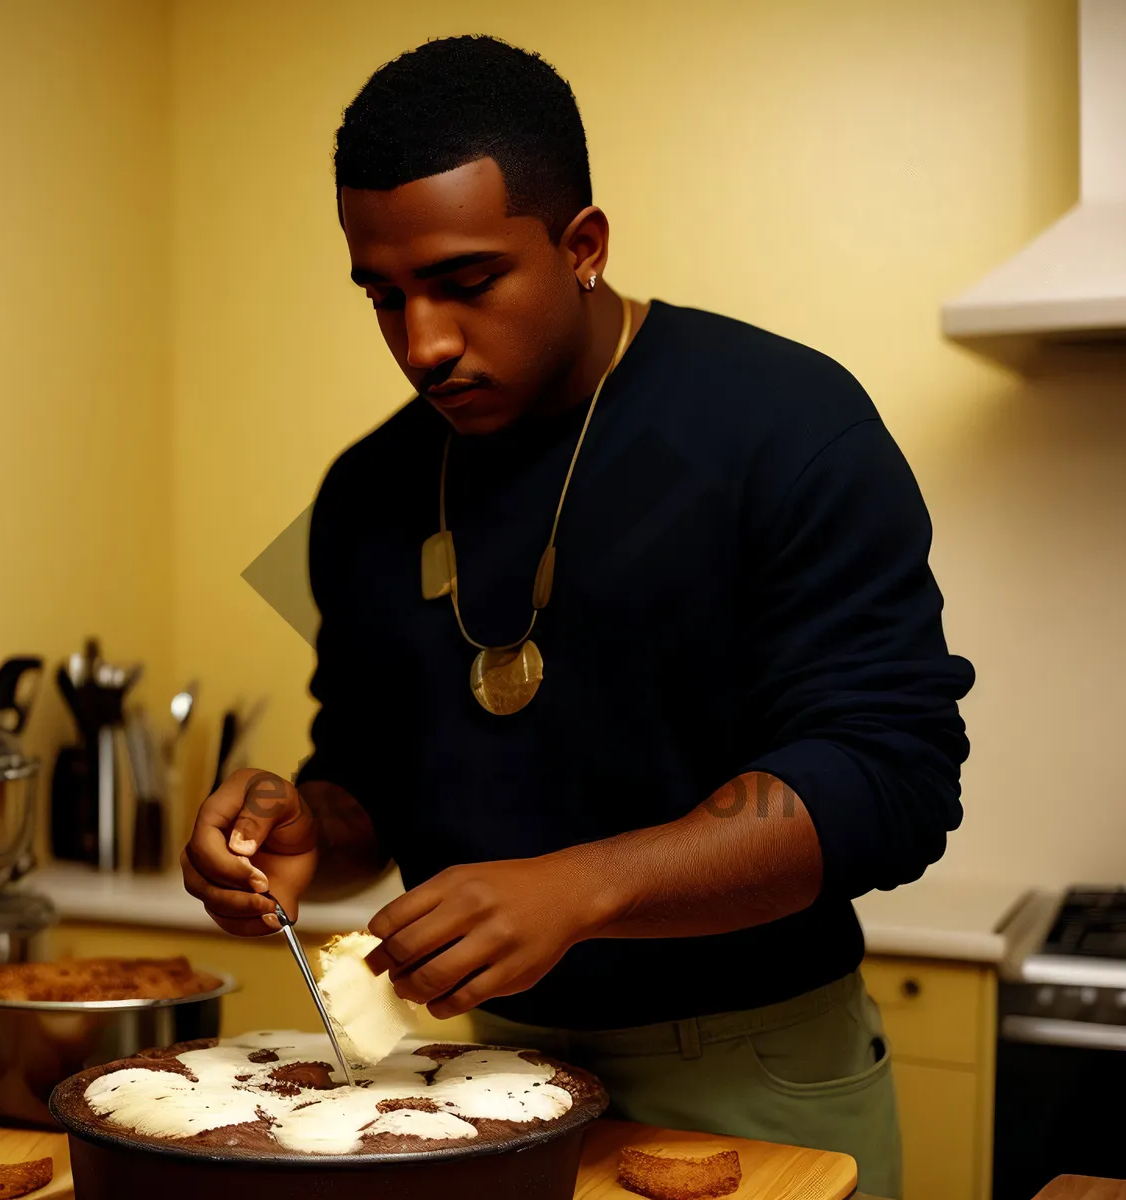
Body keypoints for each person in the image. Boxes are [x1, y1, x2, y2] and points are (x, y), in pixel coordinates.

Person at [181, 34, 974, 1199]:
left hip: (752, 1066)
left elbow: (897, 783)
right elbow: (366, 786)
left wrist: (580, 888)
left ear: (582, 245)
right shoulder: (364, 490)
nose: (423, 345)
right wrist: (305, 825)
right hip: (476, 1071)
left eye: (465, 283)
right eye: (382, 296)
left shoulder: (790, 421)